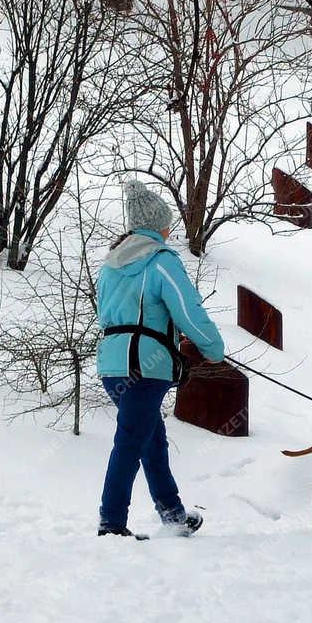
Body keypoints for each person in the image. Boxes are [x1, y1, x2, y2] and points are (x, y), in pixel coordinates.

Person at [96, 181, 226, 538]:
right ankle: (111, 524)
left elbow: (107, 315)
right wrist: (213, 349)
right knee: (131, 441)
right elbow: (187, 309)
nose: (170, 230)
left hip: (111, 365)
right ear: (157, 225)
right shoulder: (160, 259)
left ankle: (172, 514)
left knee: (150, 438)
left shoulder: (110, 264)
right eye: (167, 223)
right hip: (146, 367)